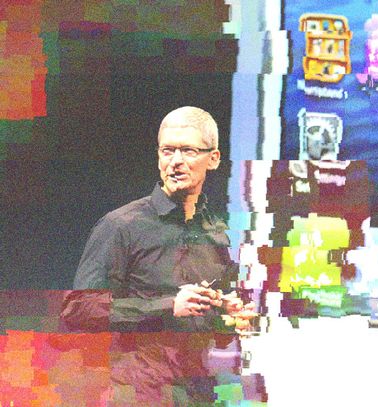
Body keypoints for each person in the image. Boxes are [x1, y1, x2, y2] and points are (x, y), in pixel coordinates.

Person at [64, 106, 262, 404]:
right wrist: (168, 305)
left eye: (188, 151)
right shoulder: (122, 226)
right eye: (168, 151)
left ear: (213, 159)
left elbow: (214, 328)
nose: (176, 161)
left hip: (200, 393)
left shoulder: (220, 234)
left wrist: (230, 317)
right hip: (137, 393)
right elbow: (78, 309)